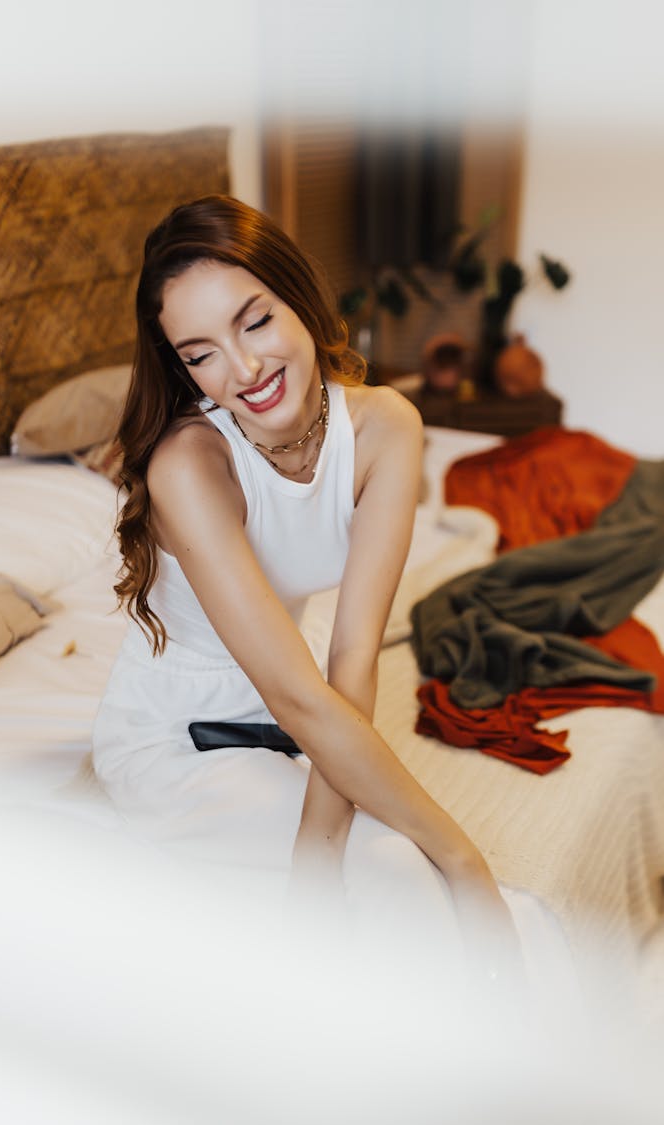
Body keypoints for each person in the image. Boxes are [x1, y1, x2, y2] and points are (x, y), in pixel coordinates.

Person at [92, 195, 530, 979]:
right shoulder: (190, 467)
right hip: (176, 738)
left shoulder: (387, 427)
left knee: (400, 864)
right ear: (181, 366)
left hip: (292, 707)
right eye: (201, 354)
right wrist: (460, 860)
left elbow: (353, 657)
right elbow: (302, 696)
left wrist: (331, 843)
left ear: (296, 294)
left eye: (254, 321)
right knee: (401, 868)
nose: (245, 370)